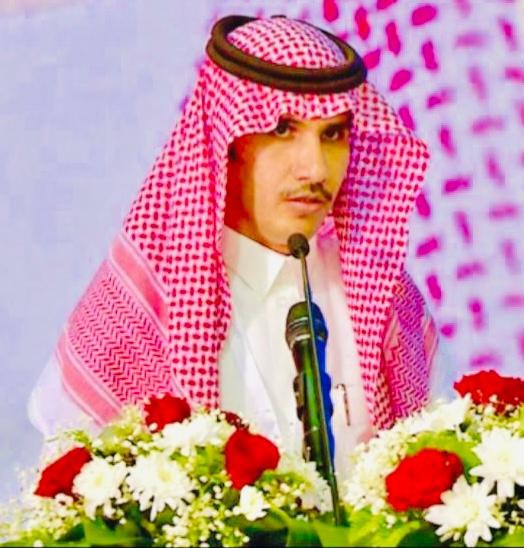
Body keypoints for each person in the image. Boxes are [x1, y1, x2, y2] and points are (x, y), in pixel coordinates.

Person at [29, 15, 437, 476]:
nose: (316, 170)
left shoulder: (388, 304)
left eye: (333, 134)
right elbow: (72, 501)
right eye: (282, 129)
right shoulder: (135, 316)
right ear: (228, 143)